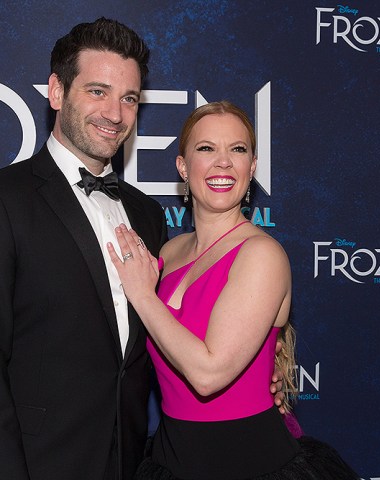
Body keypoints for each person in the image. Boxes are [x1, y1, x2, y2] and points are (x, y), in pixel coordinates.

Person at [0, 20, 284, 480]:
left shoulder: (147, 217)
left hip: (136, 458)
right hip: (41, 462)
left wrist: (263, 370)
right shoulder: (7, 200)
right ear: (56, 92)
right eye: (97, 91)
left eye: (128, 98)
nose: (114, 112)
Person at [108, 101, 360, 479]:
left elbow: (209, 374)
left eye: (237, 150)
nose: (223, 162)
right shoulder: (169, 252)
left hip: (250, 465)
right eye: (206, 148)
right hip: (168, 460)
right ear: (182, 167)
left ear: (252, 167)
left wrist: (143, 294)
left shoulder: (262, 254)